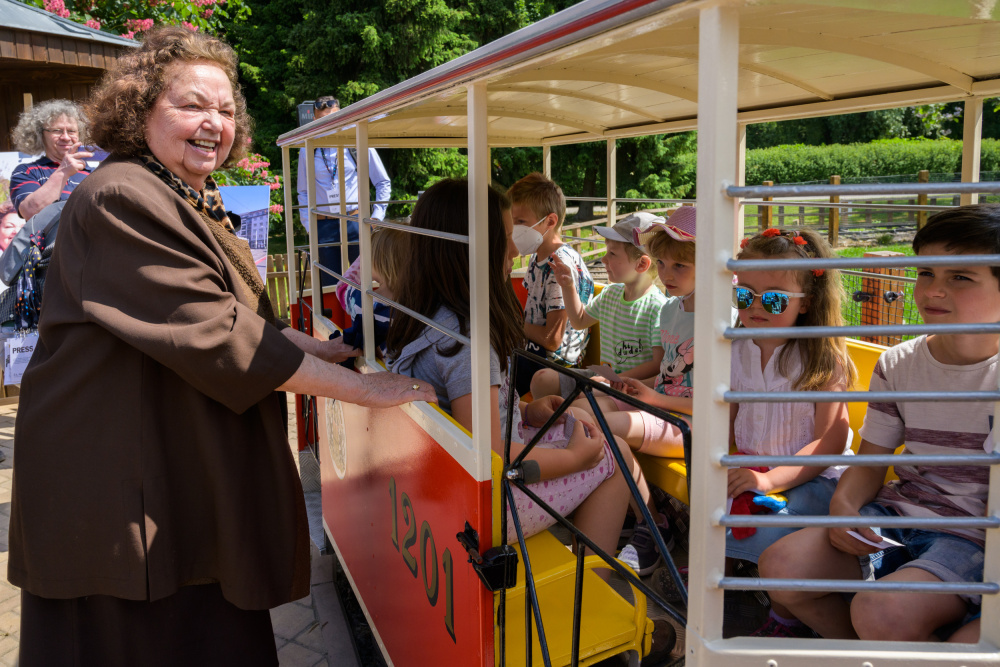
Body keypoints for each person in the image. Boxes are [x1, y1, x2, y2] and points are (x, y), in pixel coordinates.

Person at [7, 26, 434, 667]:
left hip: (169, 467)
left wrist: (319, 351)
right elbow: (216, 335)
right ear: (139, 109)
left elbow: (234, 314)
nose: (214, 123)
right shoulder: (123, 194)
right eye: (192, 105)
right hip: (118, 486)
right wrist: (372, 389)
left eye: (227, 110)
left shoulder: (179, 190)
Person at [760, 206, 999, 643]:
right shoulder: (899, 363)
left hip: (974, 537)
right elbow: (870, 461)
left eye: (960, 277)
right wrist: (844, 511)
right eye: (926, 272)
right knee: (780, 568)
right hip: (898, 514)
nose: (934, 290)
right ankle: (866, 651)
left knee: (881, 612)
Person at [387, 178, 639, 561]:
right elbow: (492, 455)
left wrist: (525, 410)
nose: (513, 249)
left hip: (444, 481)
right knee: (614, 453)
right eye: (504, 236)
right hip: (484, 503)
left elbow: (467, 413)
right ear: (469, 249)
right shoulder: (466, 340)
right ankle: (589, 595)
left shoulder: (425, 315)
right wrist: (574, 460)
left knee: (586, 427)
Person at [727, 227, 855, 638]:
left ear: (808, 303)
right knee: (712, 505)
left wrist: (768, 477)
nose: (756, 307)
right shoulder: (733, 348)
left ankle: (788, 615)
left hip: (813, 477)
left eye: (775, 298)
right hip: (756, 468)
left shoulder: (822, 355)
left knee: (767, 525)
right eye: (744, 295)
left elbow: (830, 441)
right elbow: (726, 417)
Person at [533, 211, 667, 400]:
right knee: (541, 379)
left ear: (641, 264)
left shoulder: (658, 308)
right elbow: (579, 321)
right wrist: (568, 286)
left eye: (612, 254)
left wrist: (615, 380)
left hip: (631, 388)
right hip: (605, 381)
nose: (603, 259)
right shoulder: (610, 294)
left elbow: (657, 364)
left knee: (583, 397)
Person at [508, 172, 593, 396]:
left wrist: (512, 325)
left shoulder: (559, 266)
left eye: (520, 222)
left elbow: (552, 340)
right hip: (535, 354)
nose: (514, 229)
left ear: (550, 221)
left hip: (556, 366)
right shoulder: (538, 259)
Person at [296, 95, 392, 289]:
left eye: (333, 118)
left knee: (367, 282)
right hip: (324, 227)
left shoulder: (357, 141)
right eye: (323, 119)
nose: (329, 124)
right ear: (315, 120)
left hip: (355, 222)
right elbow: (303, 192)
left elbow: (383, 182)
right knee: (330, 287)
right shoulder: (308, 149)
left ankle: (366, 319)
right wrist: (309, 226)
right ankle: (338, 321)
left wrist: (376, 218)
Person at [9, 99, 92, 221]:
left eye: (71, 131)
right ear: (39, 135)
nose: (65, 137)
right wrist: (64, 171)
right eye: (57, 131)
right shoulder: (27, 172)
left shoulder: (93, 173)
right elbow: (30, 211)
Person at [331, 227, 408, 356]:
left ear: (375, 261)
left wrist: (364, 258)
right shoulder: (417, 305)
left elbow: (342, 286)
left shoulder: (360, 300)